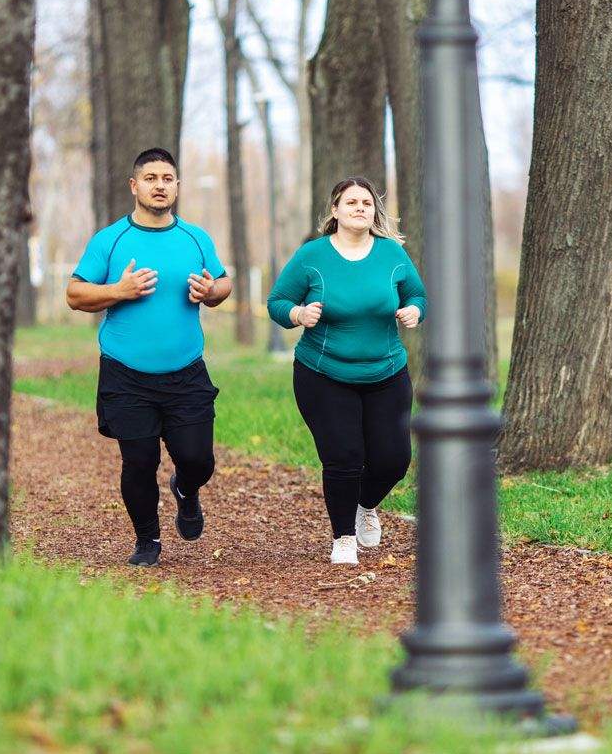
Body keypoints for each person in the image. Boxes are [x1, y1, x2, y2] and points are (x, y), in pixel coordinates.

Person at [66, 147, 233, 567]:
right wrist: (117, 291)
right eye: (152, 178)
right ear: (134, 185)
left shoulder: (196, 238)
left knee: (198, 460)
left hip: (186, 372)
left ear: (177, 186)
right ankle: (147, 540)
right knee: (138, 461)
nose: (161, 185)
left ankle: (185, 489)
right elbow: (74, 293)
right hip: (126, 374)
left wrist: (211, 293)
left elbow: (224, 283)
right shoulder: (110, 240)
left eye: (168, 178)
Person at [267, 178, 426, 565]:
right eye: (351, 202)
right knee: (344, 456)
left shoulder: (391, 255)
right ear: (335, 210)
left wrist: (414, 311)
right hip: (324, 373)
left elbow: (417, 294)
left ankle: (366, 505)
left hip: (386, 372)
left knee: (393, 459)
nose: (360, 208)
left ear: (374, 212)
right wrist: (298, 314)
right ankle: (343, 537)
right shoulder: (312, 256)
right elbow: (277, 301)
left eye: (367, 203)